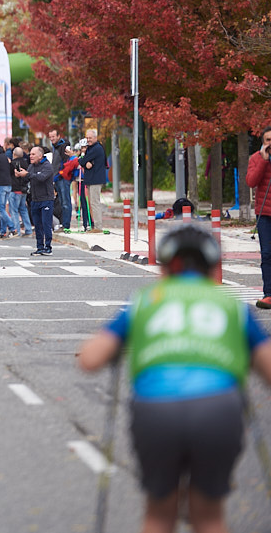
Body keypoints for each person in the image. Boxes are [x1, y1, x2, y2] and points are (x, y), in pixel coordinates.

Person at [78, 225, 271, 533]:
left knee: (158, 514)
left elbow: (89, 359)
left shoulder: (145, 301)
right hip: (218, 408)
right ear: (212, 266)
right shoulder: (232, 306)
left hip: (156, 409)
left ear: (166, 266)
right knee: (209, 517)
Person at [245, 126, 271, 309]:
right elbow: (251, 182)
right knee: (267, 254)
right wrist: (263, 161)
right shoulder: (256, 158)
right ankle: (268, 293)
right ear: (263, 142)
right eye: (268, 140)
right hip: (265, 214)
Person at [15, 145, 55, 256]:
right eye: (30, 154)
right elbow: (29, 177)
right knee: (37, 225)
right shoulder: (31, 166)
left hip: (46, 199)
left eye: (33, 154)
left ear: (40, 155)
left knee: (46, 224)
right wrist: (20, 175)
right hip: (35, 199)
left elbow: (41, 177)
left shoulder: (47, 166)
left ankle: (48, 247)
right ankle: (40, 247)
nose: (30, 156)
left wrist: (27, 174)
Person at [79, 128, 108, 230]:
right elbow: (84, 161)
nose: (88, 139)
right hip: (92, 179)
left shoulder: (96, 148)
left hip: (96, 179)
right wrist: (85, 162)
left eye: (90, 138)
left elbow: (82, 161)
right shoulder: (91, 148)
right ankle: (95, 226)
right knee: (92, 203)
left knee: (95, 203)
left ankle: (98, 227)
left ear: (95, 137)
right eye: (87, 138)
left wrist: (84, 161)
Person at [48, 128, 73, 232]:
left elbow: (67, 162)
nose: (52, 139)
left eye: (53, 136)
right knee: (62, 202)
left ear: (58, 136)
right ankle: (63, 224)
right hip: (57, 178)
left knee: (65, 202)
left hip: (63, 178)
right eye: (50, 137)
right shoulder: (55, 147)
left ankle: (66, 225)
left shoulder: (63, 146)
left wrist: (60, 174)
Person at [8, 146, 33, 237]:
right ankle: (28, 229)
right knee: (23, 210)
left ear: (14, 154)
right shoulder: (26, 163)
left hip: (15, 189)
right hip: (24, 190)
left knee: (14, 210)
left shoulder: (13, 164)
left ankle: (16, 230)